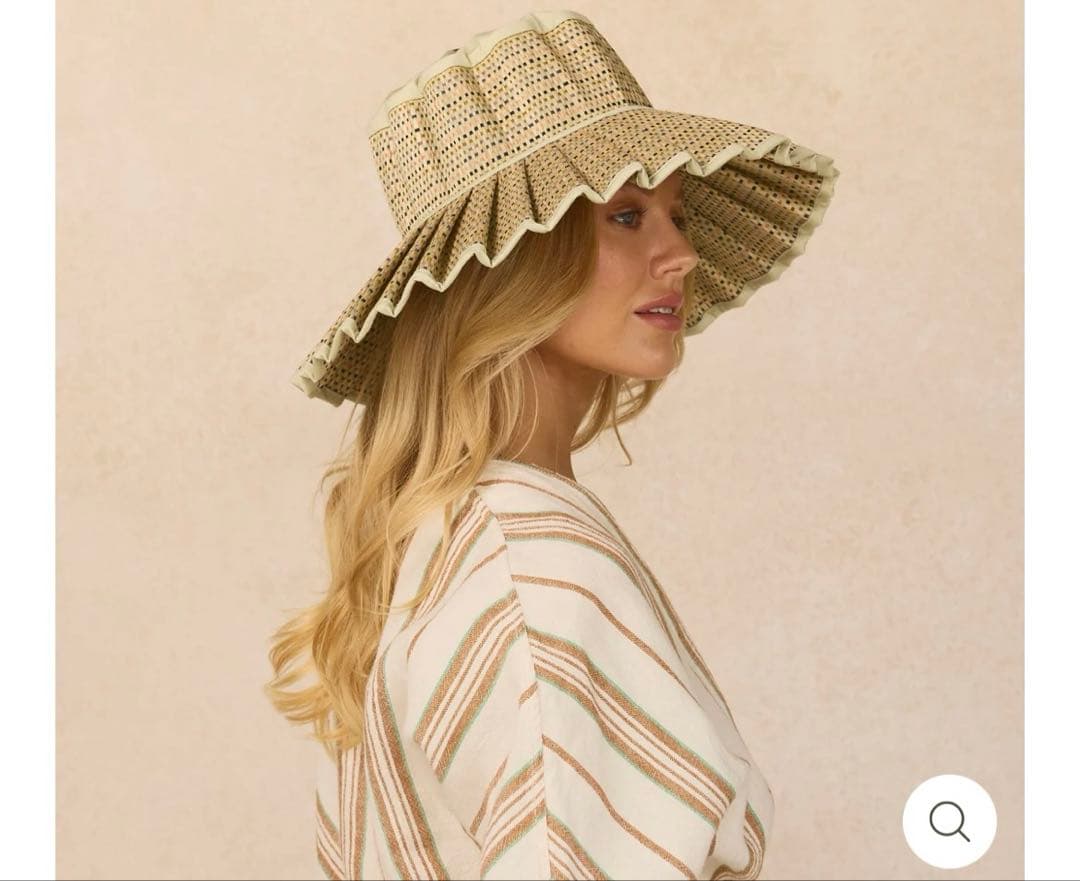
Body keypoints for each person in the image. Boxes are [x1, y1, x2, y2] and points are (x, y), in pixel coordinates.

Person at [265, 9, 839, 879]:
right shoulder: (532, 565)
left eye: (676, 214)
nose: (679, 254)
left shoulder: (453, 541)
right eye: (626, 215)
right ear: (509, 259)